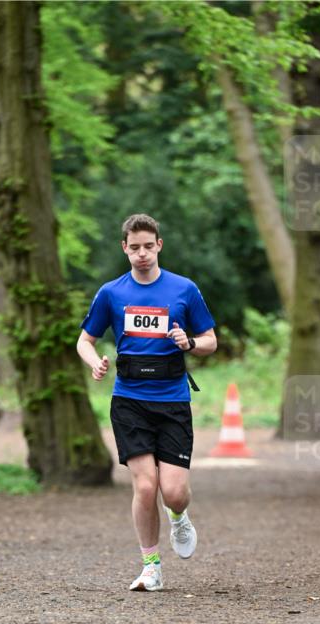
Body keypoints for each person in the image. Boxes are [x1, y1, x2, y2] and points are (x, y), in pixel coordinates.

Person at [77, 213, 217, 591]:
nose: (141, 254)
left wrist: (189, 342)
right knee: (144, 487)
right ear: (124, 248)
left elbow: (210, 340)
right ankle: (151, 567)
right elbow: (84, 340)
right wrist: (96, 364)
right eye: (133, 247)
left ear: (159, 246)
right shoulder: (112, 292)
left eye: (147, 246)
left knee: (173, 492)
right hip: (129, 400)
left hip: (172, 401)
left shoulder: (184, 289)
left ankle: (179, 517)